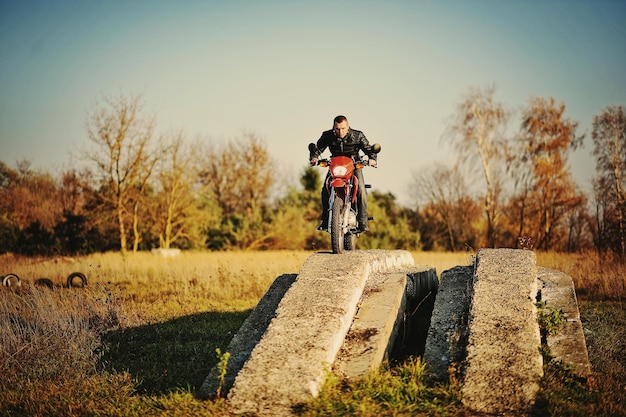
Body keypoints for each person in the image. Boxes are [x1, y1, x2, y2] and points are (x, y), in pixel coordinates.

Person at [309, 115, 378, 232]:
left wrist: (372, 158)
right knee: (325, 189)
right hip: (335, 165)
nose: (340, 132)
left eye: (343, 128)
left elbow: (369, 149)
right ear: (333, 127)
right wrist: (314, 157)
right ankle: (325, 220)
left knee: (361, 189)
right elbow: (318, 149)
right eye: (337, 129)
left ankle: (362, 220)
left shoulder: (358, 135)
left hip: (354, 165)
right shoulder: (327, 135)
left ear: (348, 126)